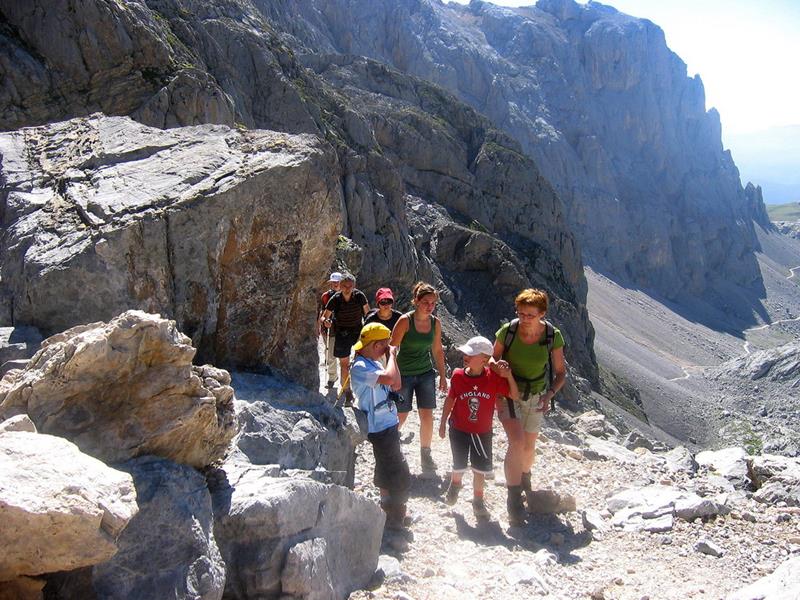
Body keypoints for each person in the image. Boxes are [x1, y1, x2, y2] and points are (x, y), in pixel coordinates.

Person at [492, 288, 566, 525]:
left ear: (542, 314)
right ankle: (514, 500)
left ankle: (525, 479)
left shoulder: (552, 336)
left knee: (529, 447)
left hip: (536, 395)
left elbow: (561, 373)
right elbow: (492, 359)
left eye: (530, 315)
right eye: (521, 313)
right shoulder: (509, 331)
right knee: (516, 442)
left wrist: (550, 394)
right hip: (508, 392)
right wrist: (498, 367)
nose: (524, 319)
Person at [439, 336, 518, 520]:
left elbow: (514, 395)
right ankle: (455, 484)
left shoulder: (493, 378)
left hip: (482, 433)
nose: (465, 356)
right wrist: (443, 422)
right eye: (466, 352)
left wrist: (509, 376)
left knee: (479, 469)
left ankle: (478, 500)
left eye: (471, 354)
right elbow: (451, 399)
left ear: (484, 359)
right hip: (458, 428)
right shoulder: (458, 375)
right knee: (458, 464)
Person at [350, 323, 411, 530]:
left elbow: (396, 384)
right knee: (397, 466)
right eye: (384, 346)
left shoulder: (373, 362)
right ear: (377, 345)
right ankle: (397, 509)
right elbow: (388, 378)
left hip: (388, 421)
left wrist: (388, 357)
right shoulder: (359, 367)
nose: (387, 349)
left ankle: (387, 506)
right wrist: (392, 356)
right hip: (378, 426)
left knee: (385, 464)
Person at [390, 281, 448, 473]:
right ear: (416, 301)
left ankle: (426, 453)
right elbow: (391, 349)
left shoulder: (435, 323)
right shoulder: (405, 321)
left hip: (425, 373)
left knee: (427, 414)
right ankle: (389, 448)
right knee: (402, 413)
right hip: (404, 374)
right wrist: (392, 375)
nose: (430, 306)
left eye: (433, 303)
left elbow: (437, 350)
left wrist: (442, 375)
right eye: (426, 302)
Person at [320, 272, 369, 404]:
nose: (347, 288)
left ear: (354, 286)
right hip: (342, 332)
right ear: (340, 286)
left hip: (358, 331)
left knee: (363, 361)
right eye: (345, 286)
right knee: (344, 365)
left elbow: (367, 313)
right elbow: (324, 316)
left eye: (350, 286)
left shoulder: (359, 296)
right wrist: (326, 321)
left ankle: (363, 389)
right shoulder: (335, 298)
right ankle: (347, 392)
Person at [364, 287, 403, 363]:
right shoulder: (371, 319)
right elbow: (364, 339)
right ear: (378, 303)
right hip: (376, 351)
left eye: (389, 301)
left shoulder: (399, 317)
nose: (386, 305)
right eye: (383, 302)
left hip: (394, 350)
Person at [318, 272, 343, 388]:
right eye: (333, 282)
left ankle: (344, 381)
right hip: (330, 329)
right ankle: (332, 378)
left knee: (343, 356)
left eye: (337, 282)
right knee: (330, 355)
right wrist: (322, 324)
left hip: (344, 329)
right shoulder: (325, 296)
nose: (335, 285)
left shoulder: (348, 296)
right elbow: (322, 312)